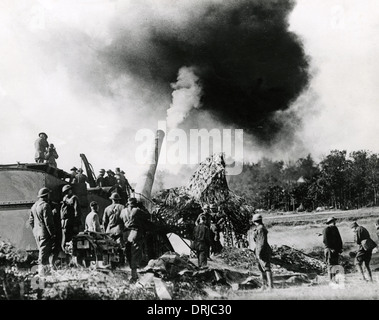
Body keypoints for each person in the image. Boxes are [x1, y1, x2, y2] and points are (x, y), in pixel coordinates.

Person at [120, 197, 150, 283]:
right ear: (136, 203)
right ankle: (134, 276)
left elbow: (121, 220)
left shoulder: (123, 211)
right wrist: (143, 207)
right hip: (134, 232)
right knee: (135, 252)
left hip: (126, 233)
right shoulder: (137, 210)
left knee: (128, 252)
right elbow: (148, 216)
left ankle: (132, 274)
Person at [29, 187, 56, 276]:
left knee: (43, 252)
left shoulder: (34, 206)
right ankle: (42, 275)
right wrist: (52, 233)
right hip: (44, 233)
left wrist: (34, 230)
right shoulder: (45, 205)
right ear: (46, 195)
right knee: (44, 254)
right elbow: (48, 222)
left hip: (37, 233)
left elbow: (31, 221)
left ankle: (46, 273)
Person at [252, 213, 274, 290]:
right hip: (259, 249)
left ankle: (270, 286)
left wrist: (259, 252)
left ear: (254, 221)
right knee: (261, 268)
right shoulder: (259, 228)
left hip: (263, 250)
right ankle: (264, 285)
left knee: (266, 267)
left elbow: (262, 242)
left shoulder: (260, 229)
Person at [60, 184, 81, 251]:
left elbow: (77, 212)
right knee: (65, 239)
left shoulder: (74, 198)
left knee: (72, 240)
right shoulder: (65, 198)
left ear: (70, 191)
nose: (66, 193)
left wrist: (75, 224)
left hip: (71, 222)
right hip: (65, 223)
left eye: (67, 191)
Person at [322, 217, 343, 282]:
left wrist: (340, 248)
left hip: (335, 250)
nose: (334, 222)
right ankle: (331, 280)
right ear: (330, 222)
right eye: (333, 221)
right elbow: (325, 240)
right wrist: (330, 248)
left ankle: (336, 280)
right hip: (329, 250)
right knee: (330, 265)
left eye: (334, 221)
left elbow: (339, 239)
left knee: (336, 265)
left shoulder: (335, 228)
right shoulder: (326, 229)